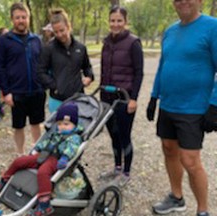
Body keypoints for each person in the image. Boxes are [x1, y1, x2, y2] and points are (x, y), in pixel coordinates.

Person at [146, 1, 217, 215]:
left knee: (190, 161)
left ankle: (202, 210)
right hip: (168, 105)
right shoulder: (170, 31)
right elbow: (163, 66)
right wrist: (153, 97)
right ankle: (177, 197)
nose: (183, 2)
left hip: (193, 109)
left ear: (200, 1)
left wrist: (214, 105)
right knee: (168, 149)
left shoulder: (212, 27)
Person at [0, 103, 83, 216]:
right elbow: (45, 142)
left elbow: (72, 148)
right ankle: (4, 180)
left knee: (43, 172)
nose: (62, 126)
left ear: (74, 124)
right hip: (44, 155)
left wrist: (65, 158)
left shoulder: (74, 137)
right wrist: (38, 148)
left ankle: (45, 204)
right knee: (19, 161)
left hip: (57, 159)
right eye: (59, 124)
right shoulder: (55, 132)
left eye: (66, 124)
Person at [98, 6, 143, 186]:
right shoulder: (106, 42)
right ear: (109, 22)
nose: (115, 24)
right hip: (106, 97)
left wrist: (134, 98)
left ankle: (126, 171)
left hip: (124, 98)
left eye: (119, 20)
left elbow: (139, 73)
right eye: (112, 20)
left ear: (125, 22)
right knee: (113, 135)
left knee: (124, 135)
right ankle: (117, 167)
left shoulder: (133, 43)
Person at [0, 2, 46, 154]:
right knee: (18, 126)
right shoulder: (4, 41)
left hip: (36, 90)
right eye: (17, 18)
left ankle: (37, 152)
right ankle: (20, 154)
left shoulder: (36, 40)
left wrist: (44, 83)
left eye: (24, 17)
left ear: (28, 18)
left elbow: (43, 63)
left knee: (36, 124)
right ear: (12, 19)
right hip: (16, 92)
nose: (21, 20)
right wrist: (6, 91)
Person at [37, 8, 94, 113]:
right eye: (56, 32)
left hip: (78, 98)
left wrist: (89, 76)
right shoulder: (49, 48)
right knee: (57, 129)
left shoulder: (81, 48)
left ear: (68, 26)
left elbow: (87, 67)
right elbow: (40, 72)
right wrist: (55, 85)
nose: (59, 35)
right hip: (57, 100)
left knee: (79, 128)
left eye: (62, 30)